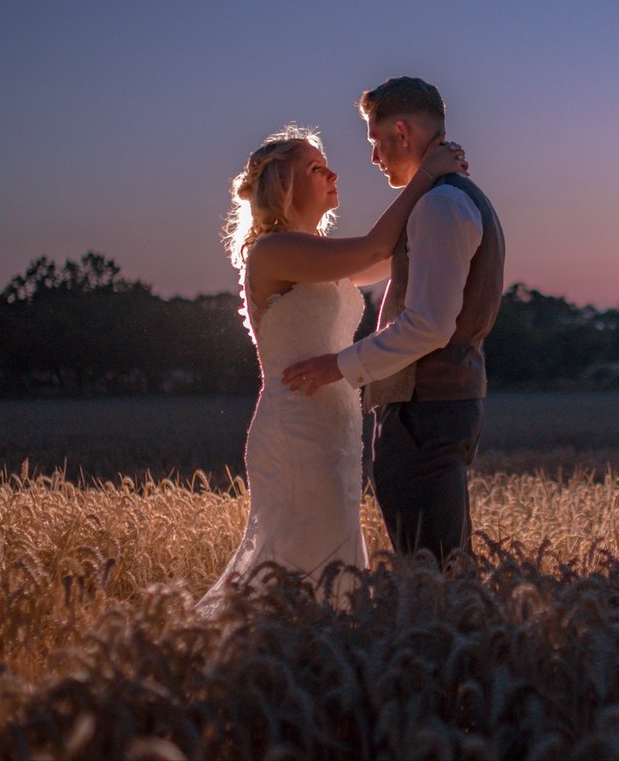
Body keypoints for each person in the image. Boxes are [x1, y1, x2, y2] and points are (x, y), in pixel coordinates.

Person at [197, 124, 467, 614]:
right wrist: (427, 174)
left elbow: (386, 253)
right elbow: (372, 248)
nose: (333, 173)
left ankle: (314, 660)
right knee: (299, 561)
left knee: (330, 562)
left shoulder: (318, 255)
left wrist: (437, 201)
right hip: (295, 428)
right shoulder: (273, 251)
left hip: (336, 427)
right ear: (283, 184)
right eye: (316, 168)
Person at [282, 77, 506, 568]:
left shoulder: (441, 206)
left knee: (431, 569)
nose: (373, 158)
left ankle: (458, 644)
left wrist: (337, 366)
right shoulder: (437, 202)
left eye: (374, 141)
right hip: (432, 403)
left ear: (401, 132)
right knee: (438, 566)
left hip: (423, 406)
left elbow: (428, 326)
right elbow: (364, 265)